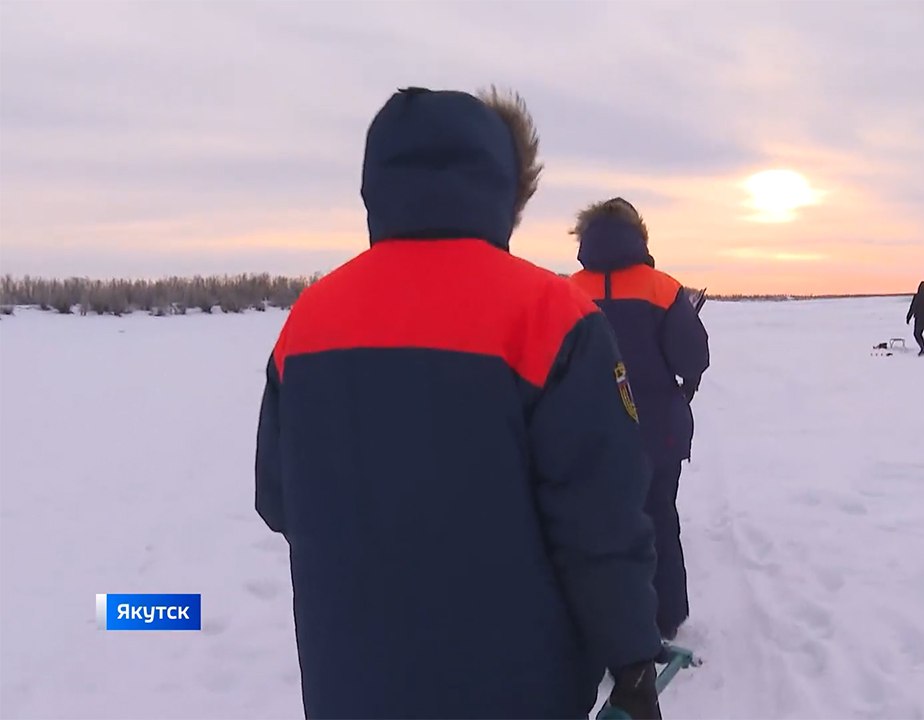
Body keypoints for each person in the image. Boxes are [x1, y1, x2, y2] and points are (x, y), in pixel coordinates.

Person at [254, 87, 664, 720]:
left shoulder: (309, 320)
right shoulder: (552, 316)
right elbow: (599, 522)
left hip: (350, 680)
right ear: (508, 186)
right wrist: (633, 658)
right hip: (515, 683)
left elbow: (278, 498)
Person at [567, 198, 710, 641]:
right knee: (658, 519)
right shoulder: (663, 288)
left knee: (597, 526)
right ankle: (664, 619)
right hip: (657, 434)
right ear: (640, 236)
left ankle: (603, 620)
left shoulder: (567, 291)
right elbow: (694, 356)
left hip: (586, 434)